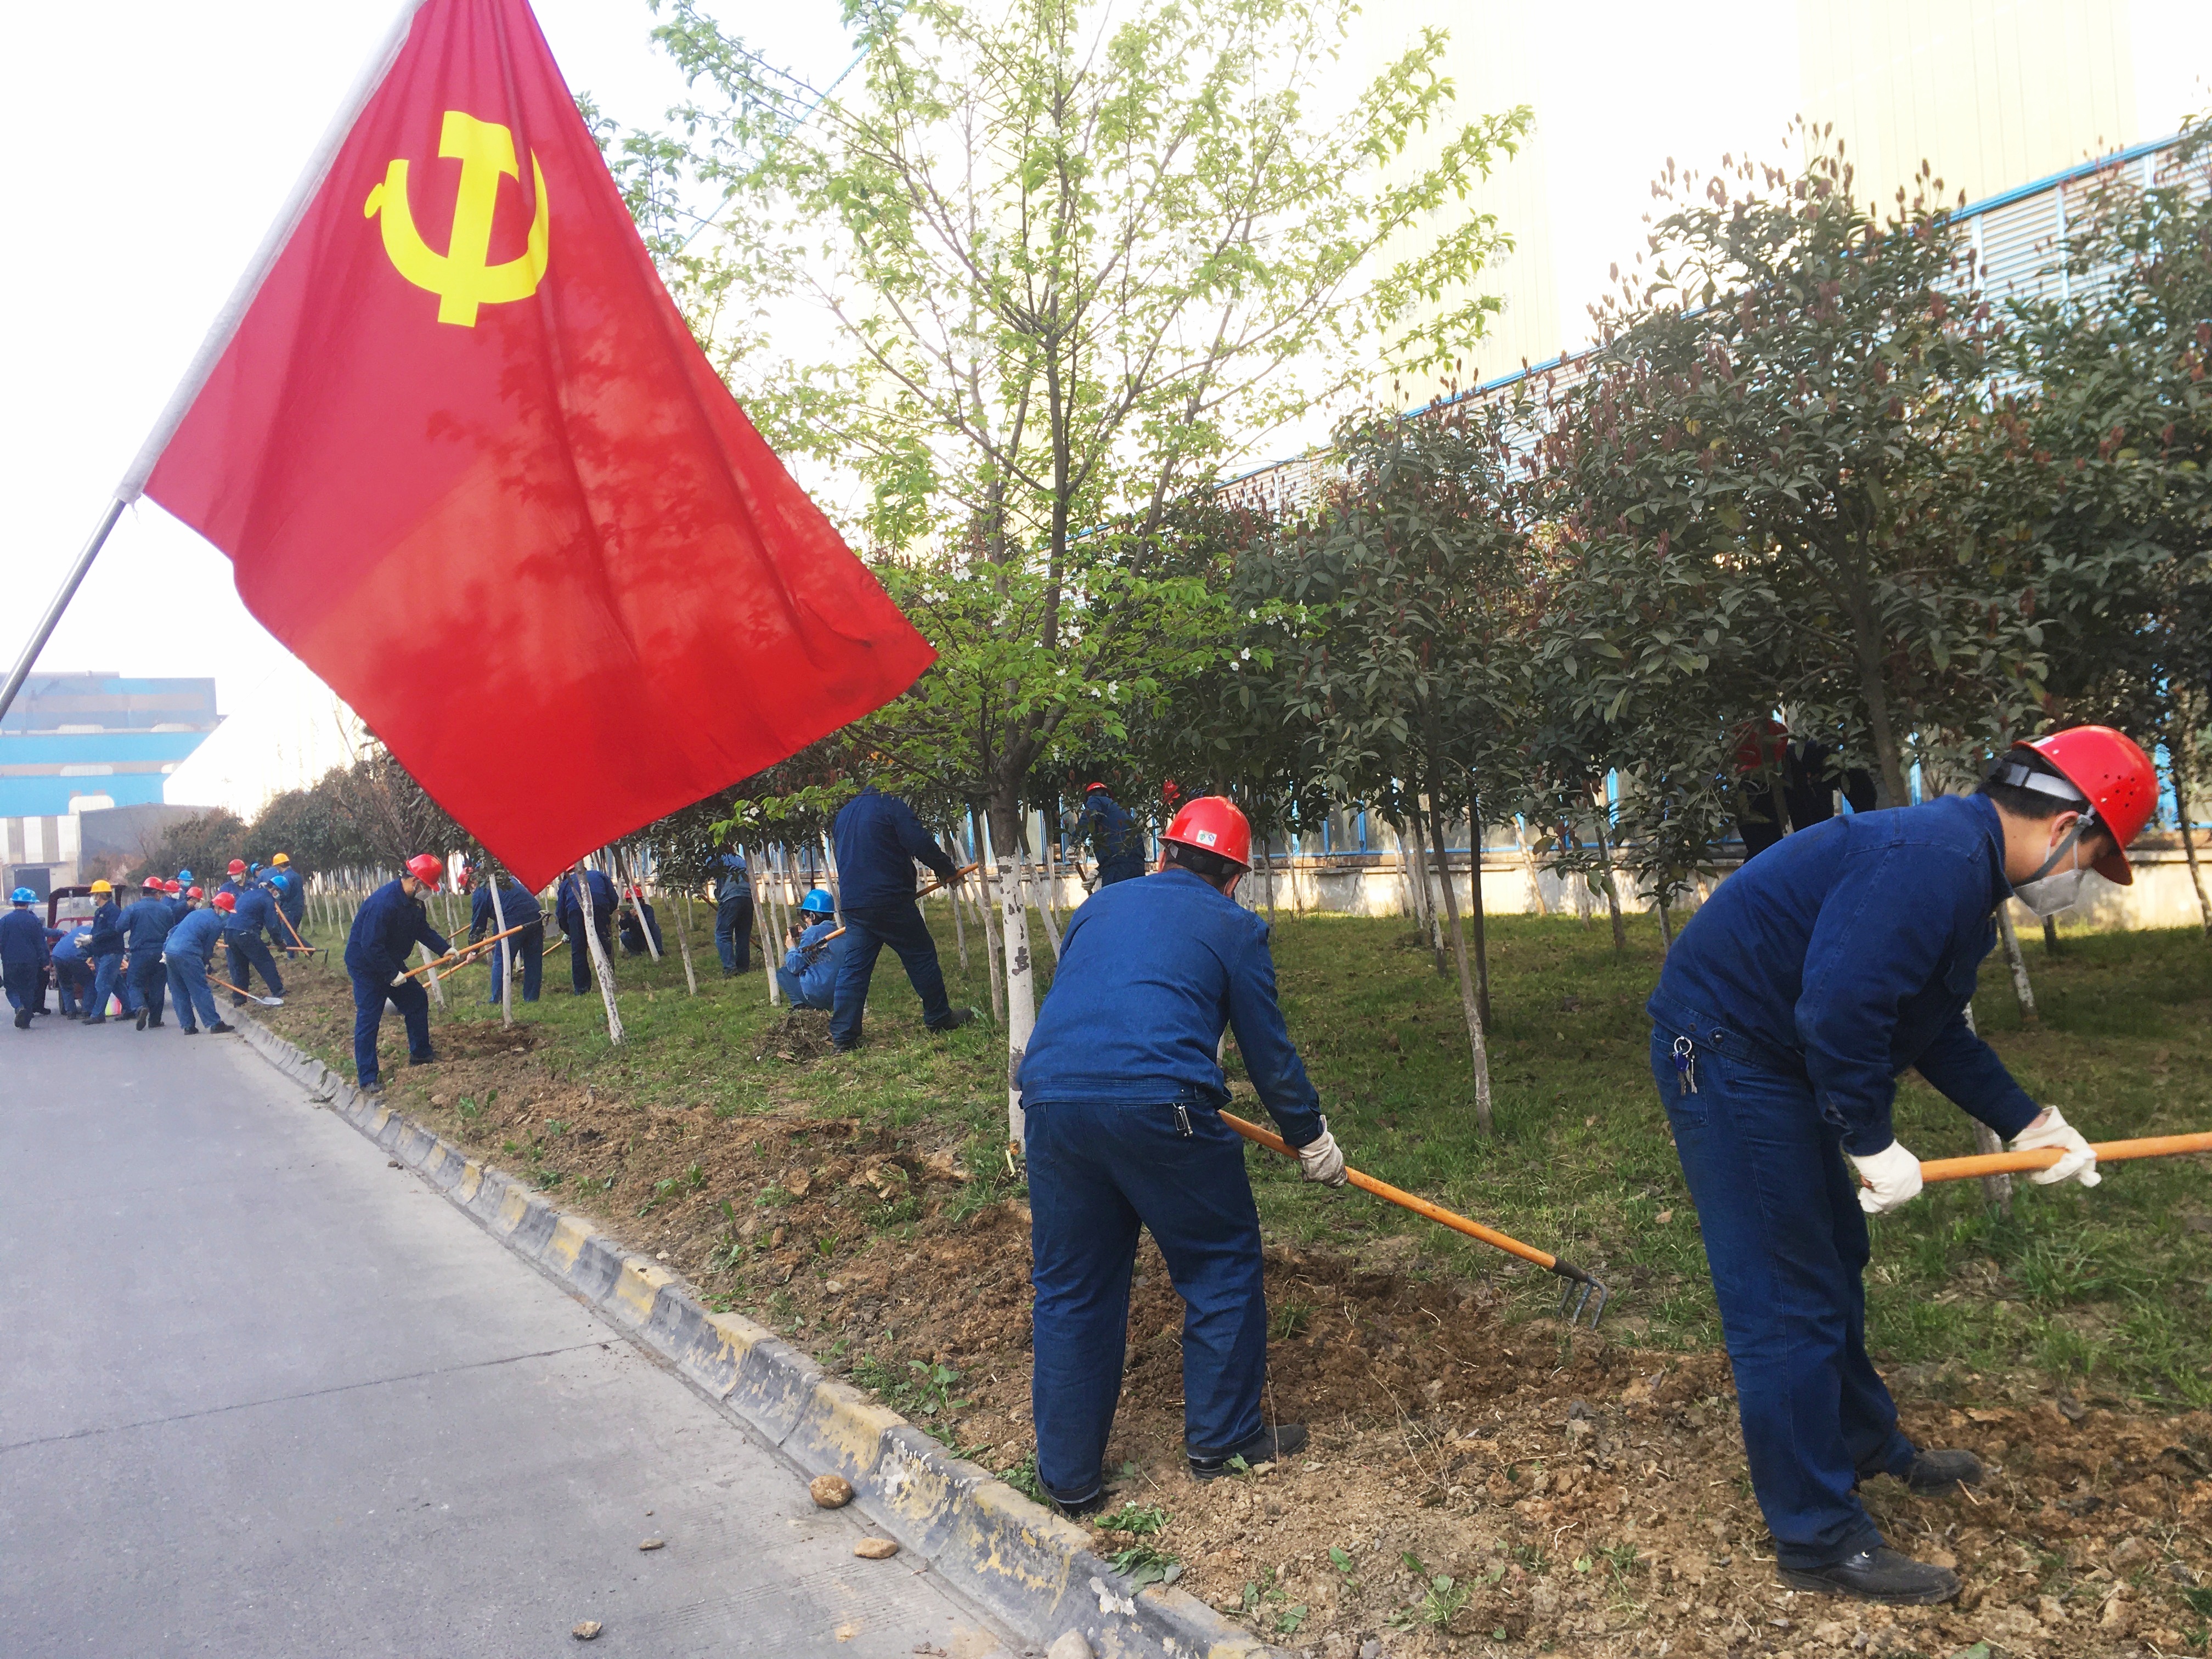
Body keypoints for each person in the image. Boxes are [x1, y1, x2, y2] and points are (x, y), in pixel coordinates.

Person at [1647, 726, 2154, 1606]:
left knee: (1832, 1257)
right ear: (2067, 825)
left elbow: (1930, 1029)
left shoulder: (1961, 867)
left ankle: (1860, 1443)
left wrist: (2030, 1121)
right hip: (1727, 1052)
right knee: (1785, 1293)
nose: (2081, 883)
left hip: (1772, 1052)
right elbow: (1839, 1015)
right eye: (2094, 859)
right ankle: (1817, 1538)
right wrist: (1871, 1139)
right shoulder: (1935, 862)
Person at [1016, 795, 1347, 1515]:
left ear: (1164, 854)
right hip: (1162, 1107)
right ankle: (1223, 1441)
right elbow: (1268, 1052)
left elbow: (1092, 1000)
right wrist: (1309, 1135)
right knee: (1220, 1260)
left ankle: (1068, 1479)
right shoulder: (1235, 928)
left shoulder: (1098, 908)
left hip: (1050, 1104)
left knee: (1072, 1286)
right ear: (1235, 878)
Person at [828, 785, 976, 1051]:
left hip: (854, 903)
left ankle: (843, 1036)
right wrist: (945, 868)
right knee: (920, 954)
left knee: (854, 969)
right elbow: (919, 842)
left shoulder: (844, 814)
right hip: (889, 899)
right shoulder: (890, 805)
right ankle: (938, 1016)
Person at [343, 854, 451, 1094]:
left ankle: (421, 1054)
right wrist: (392, 974)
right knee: (369, 1017)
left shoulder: (414, 903)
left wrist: (444, 949)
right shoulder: (383, 904)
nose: (428, 893)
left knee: (416, 999)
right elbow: (370, 945)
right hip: (366, 965)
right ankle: (367, 1078)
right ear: (415, 882)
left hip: (389, 959)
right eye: (427, 887)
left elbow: (421, 929)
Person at [163, 892, 238, 1036]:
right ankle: (214, 1023)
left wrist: (166, 949)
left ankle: (188, 1026)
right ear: (218, 907)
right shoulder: (217, 923)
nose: (228, 915)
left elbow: (172, 931)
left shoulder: (196, 914)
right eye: (227, 911)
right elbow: (208, 948)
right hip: (188, 954)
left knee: (179, 990)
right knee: (200, 989)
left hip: (170, 952)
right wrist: (205, 963)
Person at [469, 872, 544, 1004]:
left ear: (472, 883)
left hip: (514, 918)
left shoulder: (480, 892)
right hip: (535, 913)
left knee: (502, 959)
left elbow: (479, 924)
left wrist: (473, 951)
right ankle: (532, 999)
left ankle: (496, 1000)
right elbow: (499, 918)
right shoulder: (505, 879)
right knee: (533, 960)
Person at [119, 876, 175, 1030]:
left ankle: (139, 1007)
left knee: (134, 983)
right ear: (157, 893)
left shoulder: (132, 909)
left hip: (140, 953)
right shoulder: (166, 910)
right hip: (160, 953)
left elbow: (120, 927)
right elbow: (171, 930)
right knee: (157, 986)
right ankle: (155, 1020)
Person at [555, 863, 618, 994]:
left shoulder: (566, 884)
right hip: (600, 908)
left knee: (579, 951)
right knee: (605, 945)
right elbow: (614, 898)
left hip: (575, 912)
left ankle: (582, 989)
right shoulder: (599, 875)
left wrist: (570, 932)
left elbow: (561, 914)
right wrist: (607, 913)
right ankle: (609, 982)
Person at [776, 889, 845, 1009]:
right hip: (840, 996)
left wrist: (792, 947)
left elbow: (794, 966)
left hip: (819, 995)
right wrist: (805, 936)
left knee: (783, 973)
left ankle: (800, 1007)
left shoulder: (812, 933)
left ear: (812, 916)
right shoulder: (839, 932)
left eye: (805, 919)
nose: (805, 923)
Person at [223, 877, 286, 1006]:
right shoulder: (267, 899)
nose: (279, 896)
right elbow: (273, 925)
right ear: (275, 890)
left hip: (230, 932)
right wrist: (279, 942)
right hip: (246, 933)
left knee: (240, 966)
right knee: (265, 961)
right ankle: (278, 990)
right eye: (280, 892)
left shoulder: (250, 894)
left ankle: (239, 998)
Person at [1074, 781, 1147, 887]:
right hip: (1138, 868)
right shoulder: (1121, 813)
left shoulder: (1095, 800)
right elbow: (1122, 856)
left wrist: (1074, 843)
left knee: (1114, 896)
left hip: (1117, 870)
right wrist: (1098, 871)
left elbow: (1090, 817)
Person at [3, 888, 49, 1030]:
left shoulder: (5, 921)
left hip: (10, 962)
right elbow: (41, 943)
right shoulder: (34, 921)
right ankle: (26, 1021)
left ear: (13, 903)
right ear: (28, 903)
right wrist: (45, 962)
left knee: (11, 989)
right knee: (29, 990)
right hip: (31, 962)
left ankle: (18, 1007)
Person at [85, 879, 125, 1024]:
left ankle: (98, 1014)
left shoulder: (113, 911)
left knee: (102, 983)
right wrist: (87, 942)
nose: (92, 898)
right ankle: (131, 1008)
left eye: (94, 895)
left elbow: (113, 930)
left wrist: (93, 938)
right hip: (101, 953)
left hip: (111, 952)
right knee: (117, 984)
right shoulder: (99, 912)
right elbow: (96, 931)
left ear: (100, 895)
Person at [713, 845, 754, 975]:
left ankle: (730, 969)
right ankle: (743, 967)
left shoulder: (719, 859)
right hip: (748, 897)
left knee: (723, 934)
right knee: (743, 934)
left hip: (731, 897)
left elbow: (708, 871)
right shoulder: (740, 859)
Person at [267, 853, 310, 949]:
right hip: (297, 908)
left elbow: (285, 894)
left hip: (290, 910)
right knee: (291, 933)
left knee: (287, 934)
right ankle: (308, 949)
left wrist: (276, 895)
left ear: (279, 865)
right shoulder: (295, 875)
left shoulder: (286, 878)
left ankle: (295, 954)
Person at [49, 923, 91, 1018]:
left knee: (66, 985)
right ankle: (87, 1010)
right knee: (89, 983)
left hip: (57, 956)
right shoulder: (93, 934)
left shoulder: (78, 930)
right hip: (74, 958)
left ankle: (71, 1012)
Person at [617, 885, 663, 956]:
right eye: (630, 902)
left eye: (633, 901)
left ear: (640, 900)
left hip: (649, 937)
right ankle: (635, 953)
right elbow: (623, 927)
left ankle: (659, 951)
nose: (632, 903)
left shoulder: (648, 909)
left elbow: (650, 924)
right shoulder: (628, 911)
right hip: (637, 937)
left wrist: (638, 917)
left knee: (656, 928)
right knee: (624, 936)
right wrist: (623, 917)